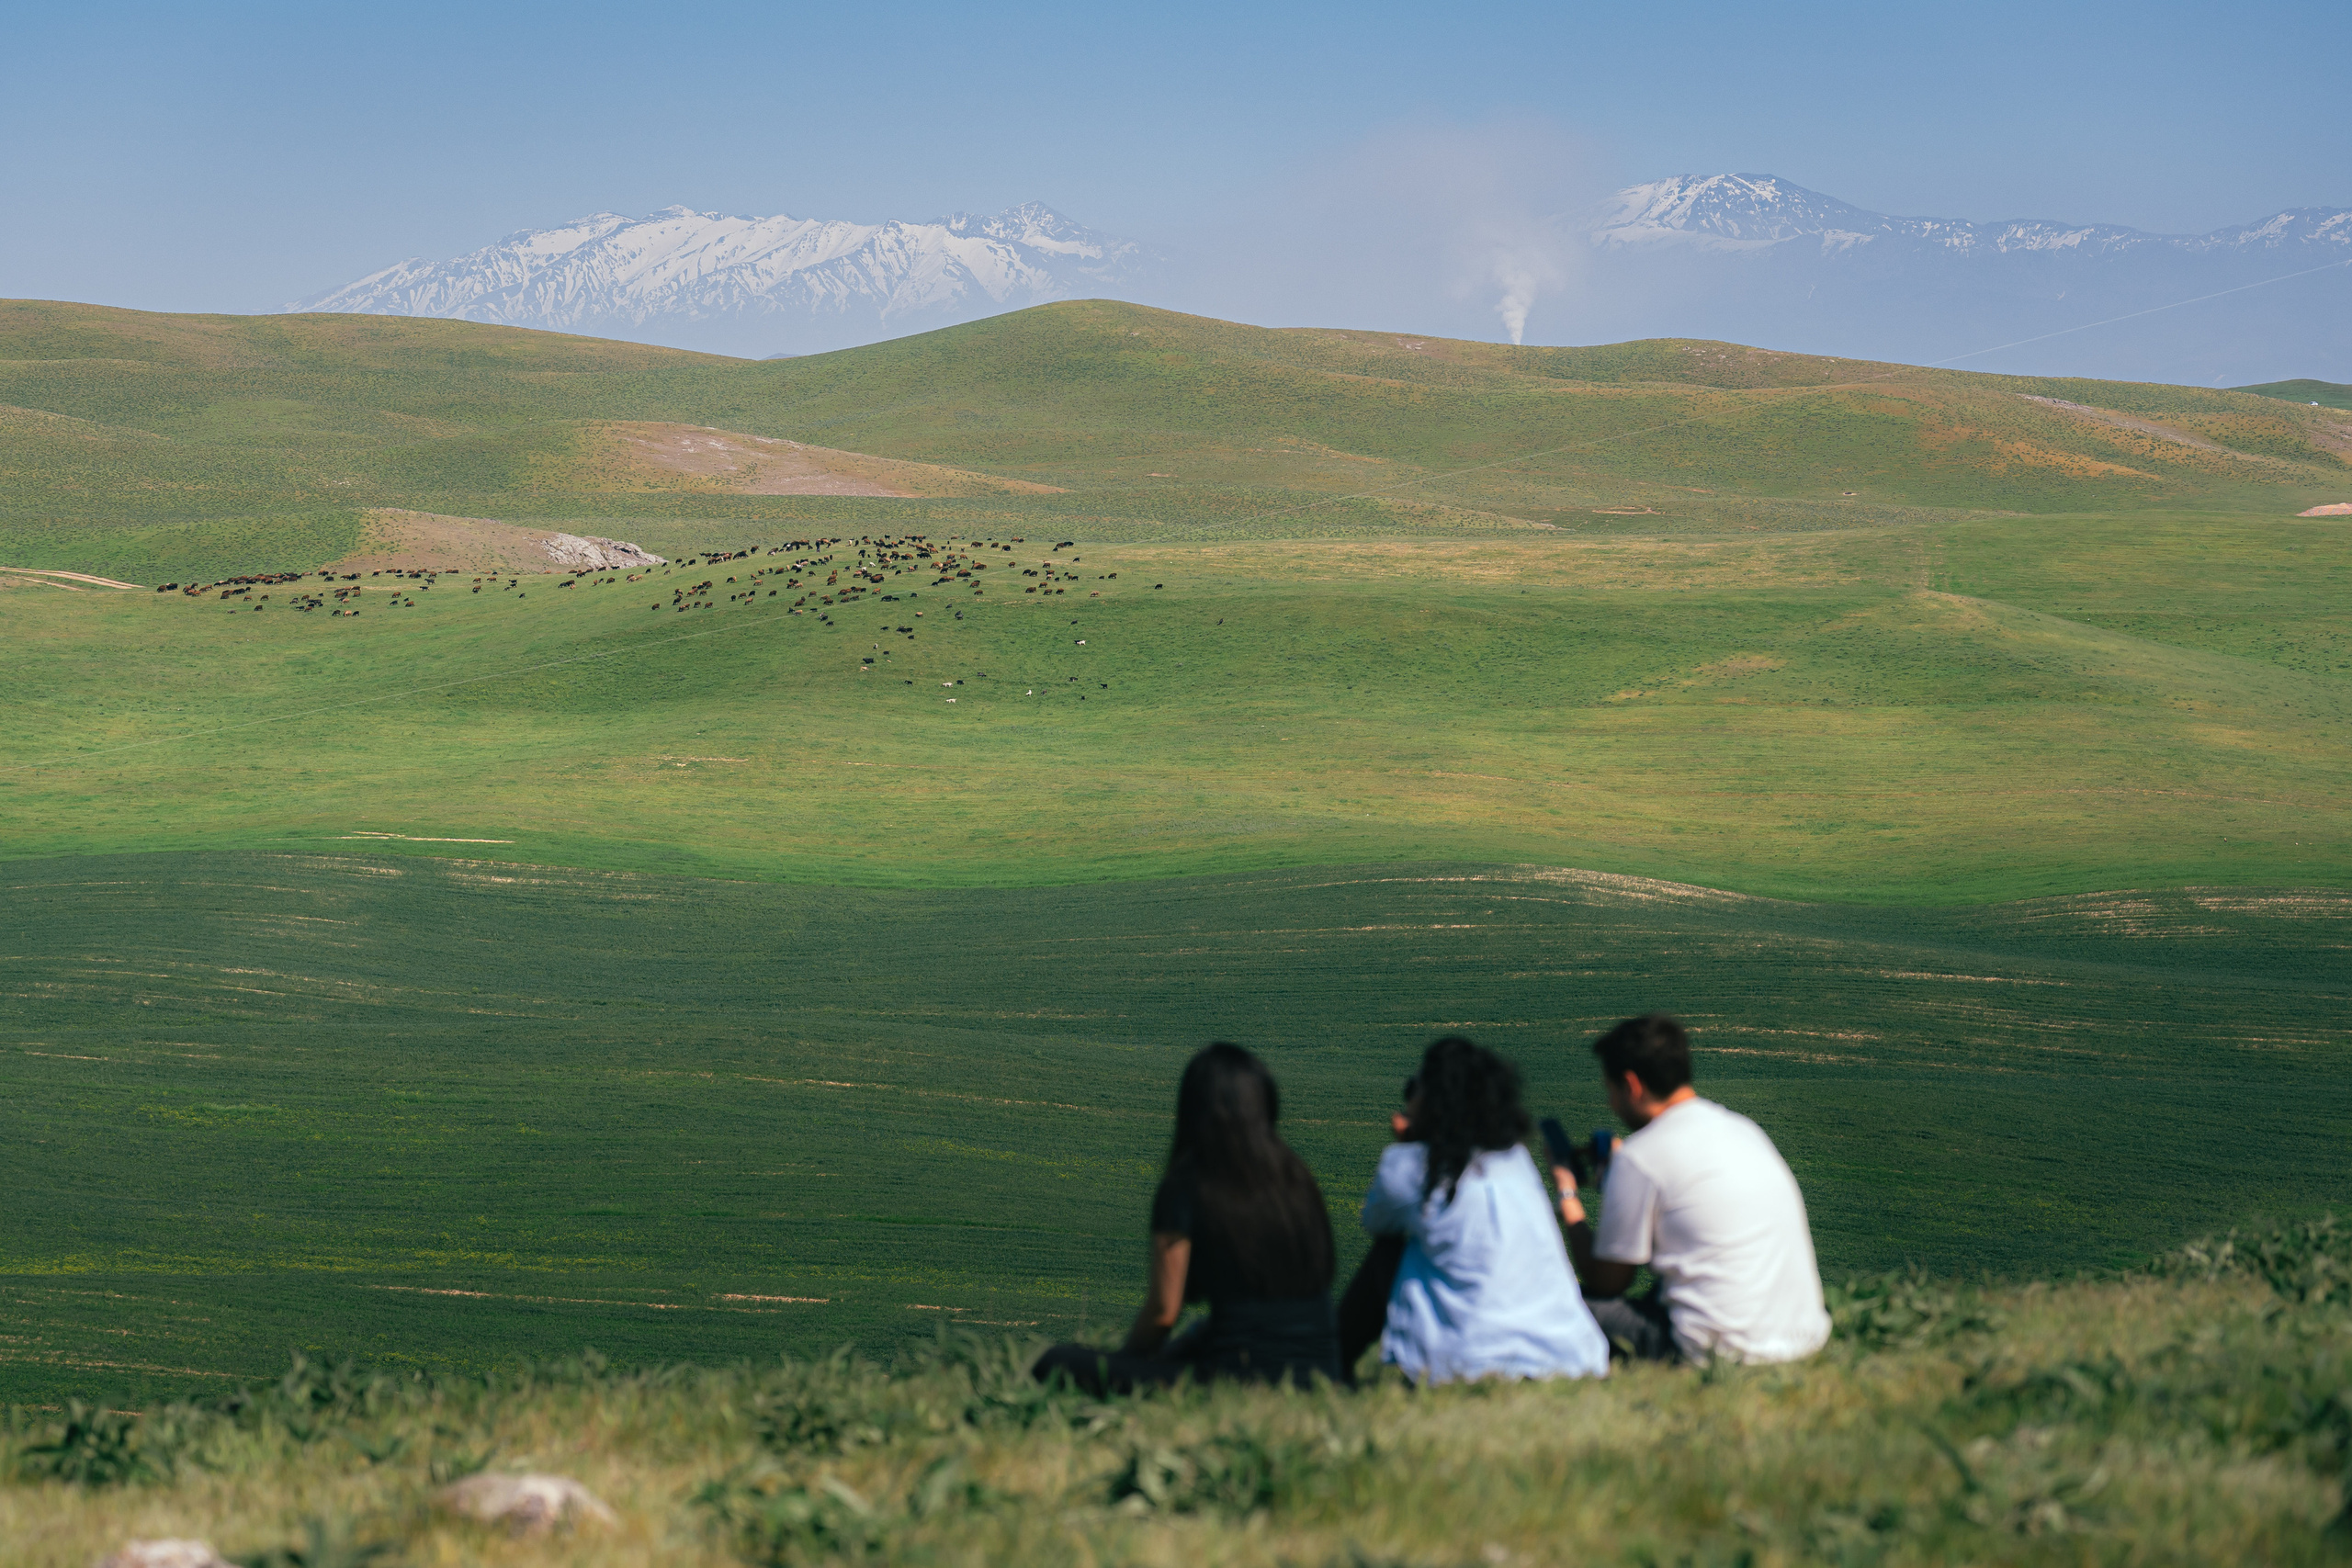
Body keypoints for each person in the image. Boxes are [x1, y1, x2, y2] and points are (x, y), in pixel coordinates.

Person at [1032, 1043, 1340, 1394]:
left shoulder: (1189, 1184)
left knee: (1053, 1362)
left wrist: (1130, 1360)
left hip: (1238, 1380)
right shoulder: (1298, 1179)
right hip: (1321, 1376)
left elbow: (1164, 1312)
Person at [1554, 1013, 1830, 1365]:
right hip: (1802, 1339)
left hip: (1720, 1352)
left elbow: (1608, 1282)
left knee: (1556, 1308)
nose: (1611, 1103)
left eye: (1610, 1090)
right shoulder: (1743, 1130)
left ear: (1632, 1085)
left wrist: (1568, 1195)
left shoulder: (1640, 1157)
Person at [1349, 1036, 1610, 1384]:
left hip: (1463, 1364)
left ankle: (1332, 1358)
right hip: (1571, 1359)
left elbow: (1376, 1221)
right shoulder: (1516, 1158)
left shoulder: (1410, 1165)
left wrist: (1409, 1145)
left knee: (1391, 1249)